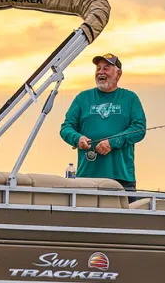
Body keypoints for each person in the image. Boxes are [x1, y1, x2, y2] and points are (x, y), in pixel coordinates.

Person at [59, 53, 146, 192]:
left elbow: (139, 129)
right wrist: (77, 139)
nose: (100, 72)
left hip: (122, 177)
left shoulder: (130, 98)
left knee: (122, 214)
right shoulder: (82, 98)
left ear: (118, 74)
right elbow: (66, 127)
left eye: (106, 68)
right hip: (87, 177)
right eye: (98, 68)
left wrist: (113, 142)